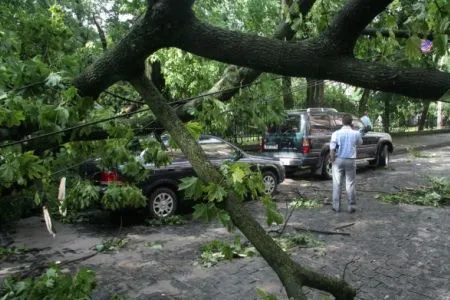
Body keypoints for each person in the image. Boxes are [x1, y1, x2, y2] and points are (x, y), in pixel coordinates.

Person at [330, 114, 363, 213]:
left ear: (342, 122)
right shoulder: (355, 133)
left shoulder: (336, 133)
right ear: (351, 122)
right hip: (350, 160)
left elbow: (332, 149)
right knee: (350, 184)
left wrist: (332, 161)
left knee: (337, 183)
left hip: (338, 159)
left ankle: (336, 206)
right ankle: (351, 206)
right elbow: (360, 142)